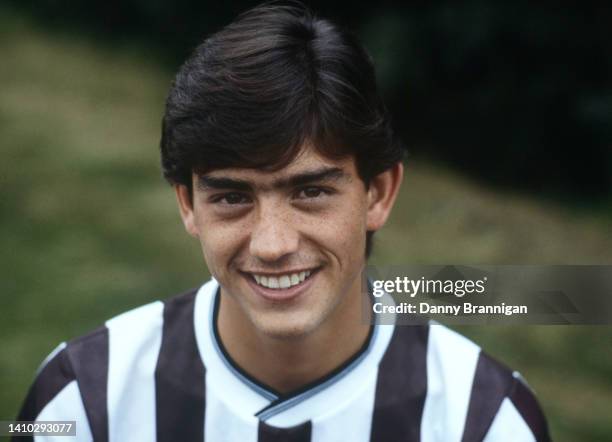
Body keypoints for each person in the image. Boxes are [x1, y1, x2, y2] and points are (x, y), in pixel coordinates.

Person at [16, 2, 550, 441]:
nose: (272, 244)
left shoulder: (486, 421)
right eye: (231, 197)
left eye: (311, 191)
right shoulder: (80, 398)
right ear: (187, 204)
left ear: (378, 193)